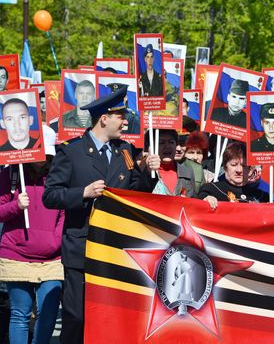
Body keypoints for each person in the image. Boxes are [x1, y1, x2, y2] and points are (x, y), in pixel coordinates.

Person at [42, 86, 161, 344]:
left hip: (114, 249)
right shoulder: (71, 151)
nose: (126, 121)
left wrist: (148, 174)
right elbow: (50, 196)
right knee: (77, 317)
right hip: (81, 247)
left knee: (110, 317)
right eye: (121, 116)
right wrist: (82, 193)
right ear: (104, 119)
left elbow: (132, 193)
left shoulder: (125, 150)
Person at [0, 125, 63, 344]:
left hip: (52, 258)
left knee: (48, 314)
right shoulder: (10, 174)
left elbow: (64, 212)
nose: (44, 158)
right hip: (16, 255)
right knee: (20, 315)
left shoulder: (59, 175)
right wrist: (16, 206)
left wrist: (55, 240)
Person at [198, 142, 268, 208]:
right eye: (234, 165)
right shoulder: (211, 190)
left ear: (249, 169)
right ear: (225, 167)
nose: (239, 170)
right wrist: (206, 199)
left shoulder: (260, 196)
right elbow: (198, 204)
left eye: (244, 166)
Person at [145, 129, 196, 197]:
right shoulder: (144, 171)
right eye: (161, 142)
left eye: (171, 142)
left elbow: (194, 200)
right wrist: (148, 172)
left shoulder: (187, 172)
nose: (167, 146)